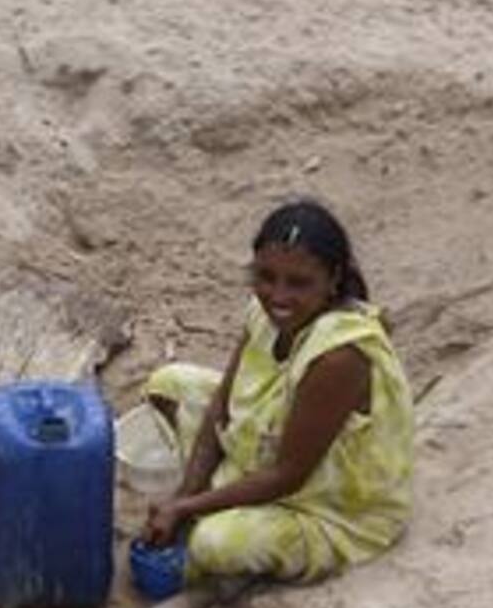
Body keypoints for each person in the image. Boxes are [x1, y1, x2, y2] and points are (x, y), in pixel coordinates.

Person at [140, 196, 414, 585]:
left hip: (328, 505)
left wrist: (186, 508)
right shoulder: (263, 311)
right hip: (271, 444)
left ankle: (236, 523)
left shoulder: (339, 355)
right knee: (167, 385)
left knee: (213, 544)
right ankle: (219, 498)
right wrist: (185, 494)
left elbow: (289, 474)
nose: (278, 297)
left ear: (333, 280)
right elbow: (222, 404)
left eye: (298, 283)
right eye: (265, 277)